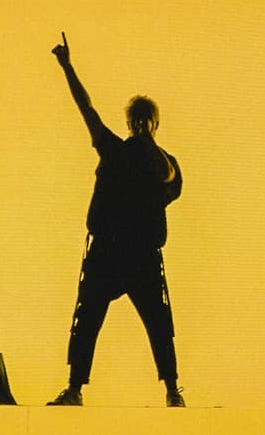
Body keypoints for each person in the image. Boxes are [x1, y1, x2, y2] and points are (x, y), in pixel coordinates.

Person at [47, 33, 185, 407]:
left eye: (144, 120)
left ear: (151, 123)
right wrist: (67, 67)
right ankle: (76, 388)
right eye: (137, 120)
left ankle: (171, 390)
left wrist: (146, 140)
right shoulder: (123, 152)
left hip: (135, 254)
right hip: (111, 252)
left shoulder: (159, 161)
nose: (140, 124)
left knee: (157, 322)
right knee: (89, 319)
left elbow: (169, 181)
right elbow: (86, 108)